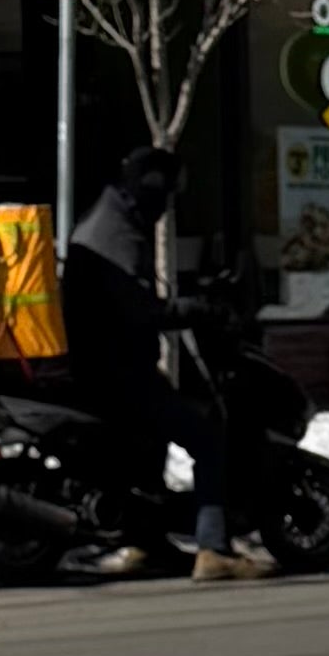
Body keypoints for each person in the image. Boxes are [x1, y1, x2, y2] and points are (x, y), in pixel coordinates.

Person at [60, 141, 253, 576]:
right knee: (207, 440)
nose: (166, 208)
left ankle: (144, 541)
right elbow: (142, 311)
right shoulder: (119, 233)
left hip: (105, 365)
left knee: (150, 446)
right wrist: (197, 310)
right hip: (119, 370)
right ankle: (215, 549)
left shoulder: (106, 218)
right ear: (151, 190)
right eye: (165, 196)